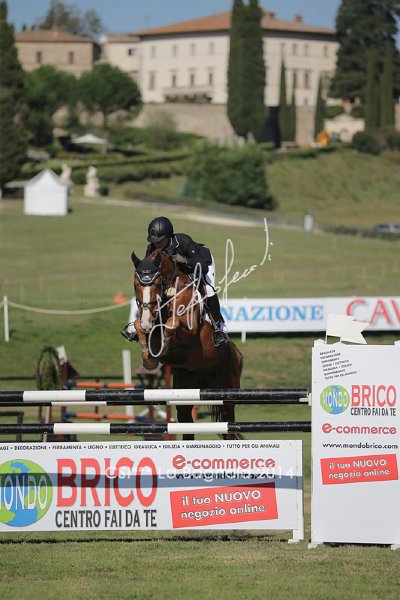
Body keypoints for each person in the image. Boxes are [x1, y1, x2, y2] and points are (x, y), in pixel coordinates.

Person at [121, 216, 228, 347]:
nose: (156, 244)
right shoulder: (151, 248)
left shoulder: (183, 241)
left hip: (200, 264)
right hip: (177, 274)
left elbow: (203, 267)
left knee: (209, 289)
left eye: (159, 241)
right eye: (154, 241)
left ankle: (219, 328)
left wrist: (185, 260)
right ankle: (143, 324)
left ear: (168, 236)